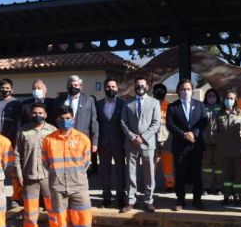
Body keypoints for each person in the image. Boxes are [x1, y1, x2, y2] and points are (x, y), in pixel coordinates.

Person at [42, 105, 96, 227]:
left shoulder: (83, 139)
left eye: (67, 118)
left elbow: (86, 163)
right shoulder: (48, 140)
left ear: (73, 119)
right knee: (62, 224)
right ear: (56, 120)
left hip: (79, 187)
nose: (64, 121)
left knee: (83, 222)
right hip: (58, 187)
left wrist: (74, 177)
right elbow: (46, 162)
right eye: (61, 118)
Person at [14, 103, 58, 227]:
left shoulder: (53, 131)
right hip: (29, 177)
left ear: (45, 114)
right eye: (34, 113)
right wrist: (19, 175)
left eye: (40, 112)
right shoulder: (23, 131)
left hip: (48, 177)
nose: (37, 115)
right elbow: (17, 154)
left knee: (54, 209)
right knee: (30, 211)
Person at [120, 77, 161, 213]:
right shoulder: (127, 103)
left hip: (148, 143)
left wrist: (142, 137)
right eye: (137, 86)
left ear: (147, 86)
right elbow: (123, 123)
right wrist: (133, 136)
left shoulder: (154, 102)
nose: (140, 87)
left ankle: (149, 201)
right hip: (131, 143)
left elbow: (156, 123)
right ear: (134, 87)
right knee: (131, 173)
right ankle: (131, 200)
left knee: (149, 173)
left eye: (142, 85)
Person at [166, 78, 207, 211]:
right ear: (178, 91)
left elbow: (203, 121)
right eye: (183, 89)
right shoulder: (172, 107)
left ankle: (197, 200)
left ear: (192, 90)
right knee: (180, 173)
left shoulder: (200, 105)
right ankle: (180, 200)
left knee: (196, 173)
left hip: (196, 144)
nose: (186, 91)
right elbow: (170, 124)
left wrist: (193, 133)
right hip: (180, 145)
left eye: (188, 89)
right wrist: (184, 134)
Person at [0, 78, 23, 207]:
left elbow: (19, 123)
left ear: (12, 89)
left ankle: (16, 197)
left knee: (13, 170)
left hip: (11, 141)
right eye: (2, 88)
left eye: (7, 88)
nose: (4, 90)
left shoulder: (17, 103)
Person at [97, 77, 126, 209]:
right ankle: (106, 198)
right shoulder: (98, 104)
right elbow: (96, 124)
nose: (110, 89)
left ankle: (120, 197)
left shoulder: (123, 104)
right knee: (104, 172)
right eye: (108, 87)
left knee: (121, 171)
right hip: (103, 143)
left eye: (113, 87)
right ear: (104, 88)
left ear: (117, 88)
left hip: (119, 143)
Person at [54, 74, 99, 155]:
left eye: (75, 85)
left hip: (82, 139)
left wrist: (95, 143)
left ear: (81, 87)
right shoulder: (58, 101)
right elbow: (54, 120)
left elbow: (94, 122)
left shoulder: (89, 100)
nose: (73, 87)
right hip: (62, 139)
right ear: (67, 86)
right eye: (70, 85)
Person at [216, 89, 241, 205]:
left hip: (239, 148)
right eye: (227, 98)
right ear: (223, 100)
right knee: (226, 174)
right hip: (224, 148)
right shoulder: (219, 114)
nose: (229, 101)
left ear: (235, 100)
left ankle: (238, 196)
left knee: (238, 174)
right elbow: (216, 130)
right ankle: (226, 196)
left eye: (231, 98)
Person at [153, 83, 175, 192]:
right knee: (152, 162)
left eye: (162, 91)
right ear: (153, 93)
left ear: (165, 93)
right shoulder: (150, 105)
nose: (159, 93)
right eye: (157, 91)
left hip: (167, 138)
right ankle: (150, 184)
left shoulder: (169, 106)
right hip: (153, 138)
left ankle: (169, 184)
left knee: (168, 162)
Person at [202, 88, 222, 194]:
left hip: (218, 141)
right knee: (206, 165)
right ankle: (207, 186)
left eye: (213, 96)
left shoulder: (221, 108)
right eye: (209, 96)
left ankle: (219, 187)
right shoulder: (202, 108)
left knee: (219, 165)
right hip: (205, 141)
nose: (211, 98)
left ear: (217, 97)